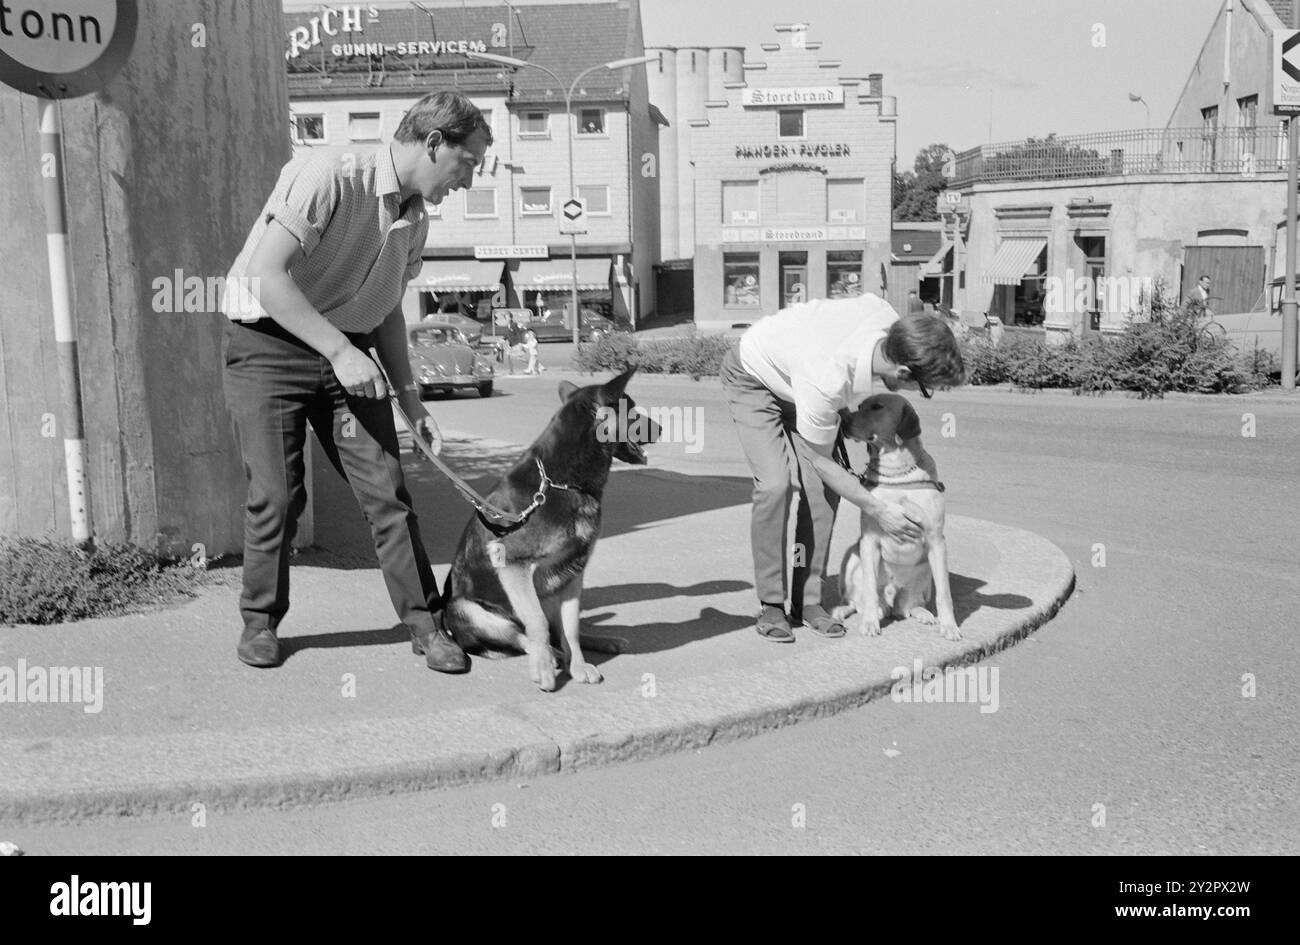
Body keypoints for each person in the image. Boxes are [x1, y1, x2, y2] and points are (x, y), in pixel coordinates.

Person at [219, 90, 491, 671]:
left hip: (350, 351)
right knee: (277, 494)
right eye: (468, 164)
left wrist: (412, 400)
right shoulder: (330, 174)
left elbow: (388, 307)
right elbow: (266, 276)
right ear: (434, 142)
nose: (467, 181)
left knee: (388, 492)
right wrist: (340, 350)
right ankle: (260, 622)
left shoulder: (415, 218)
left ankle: (427, 623)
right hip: (269, 343)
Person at [720, 294, 966, 643]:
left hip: (800, 380)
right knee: (775, 485)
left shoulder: (887, 318)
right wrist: (879, 509)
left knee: (823, 494)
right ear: (903, 372)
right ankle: (772, 602)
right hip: (754, 375)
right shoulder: (827, 377)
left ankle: (807, 600)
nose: (921, 393)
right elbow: (820, 462)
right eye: (923, 388)